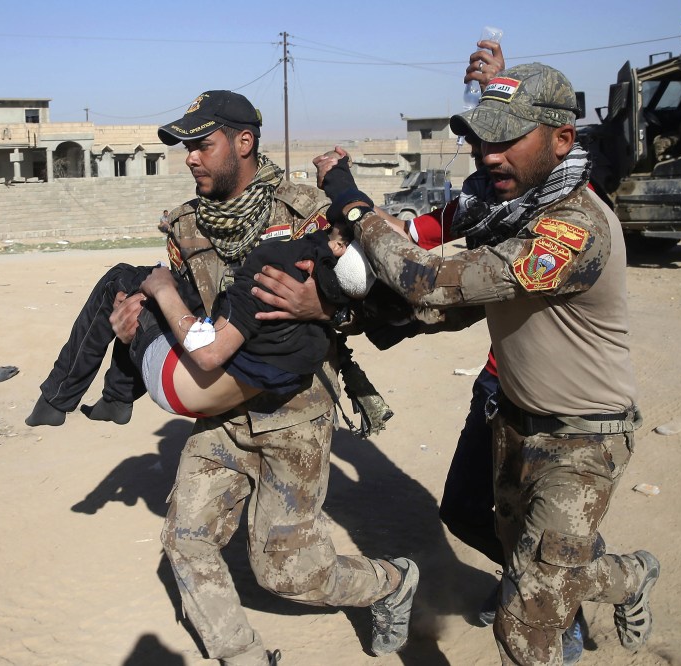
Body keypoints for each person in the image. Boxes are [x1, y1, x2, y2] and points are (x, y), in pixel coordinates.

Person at [256, 64, 660, 666]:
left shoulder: (574, 228)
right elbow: (452, 309)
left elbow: (426, 281)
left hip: (583, 441)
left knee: (526, 629)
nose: (487, 155)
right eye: (481, 139)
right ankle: (627, 575)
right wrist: (339, 312)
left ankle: (555, 610)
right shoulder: (514, 214)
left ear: (562, 140)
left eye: (506, 140)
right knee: (488, 532)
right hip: (515, 419)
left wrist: (354, 204)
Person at [109, 90, 419, 666]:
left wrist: (322, 310)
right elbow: (191, 315)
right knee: (186, 539)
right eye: (186, 149)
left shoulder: (308, 208)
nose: (191, 159)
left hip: (294, 413)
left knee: (289, 572)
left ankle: (390, 582)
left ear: (243, 142)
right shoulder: (184, 225)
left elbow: (388, 299)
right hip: (220, 410)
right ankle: (244, 656)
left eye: (202, 145)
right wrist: (138, 327)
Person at [25, 221, 368, 426]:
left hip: (180, 376)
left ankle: (57, 399)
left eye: (202, 145)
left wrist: (160, 290)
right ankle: (115, 397)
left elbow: (207, 350)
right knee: (144, 291)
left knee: (125, 284)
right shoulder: (309, 327)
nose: (191, 158)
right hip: (223, 364)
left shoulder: (273, 267)